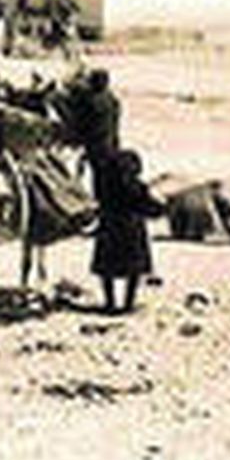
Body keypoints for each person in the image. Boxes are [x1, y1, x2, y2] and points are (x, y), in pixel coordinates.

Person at [91, 148, 165, 314]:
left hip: (109, 230)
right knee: (133, 271)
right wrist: (162, 209)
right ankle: (128, 304)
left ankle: (109, 302)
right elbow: (148, 206)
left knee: (107, 270)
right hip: (132, 231)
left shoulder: (105, 187)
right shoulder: (136, 187)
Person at [76, 67, 122, 195]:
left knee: (98, 177)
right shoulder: (112, 100)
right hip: (111, 143)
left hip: (97, 146)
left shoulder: (91, 101)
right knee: (107, 176)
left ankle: (101, 201)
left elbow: (84, 124)